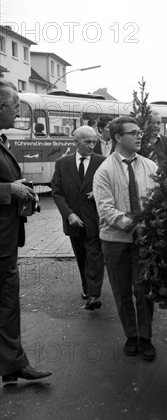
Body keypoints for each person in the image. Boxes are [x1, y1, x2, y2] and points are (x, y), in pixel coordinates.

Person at [93, 116, 158, 361]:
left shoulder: (151, 167)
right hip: (115, 241)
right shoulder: (104, 171)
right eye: (133, 132)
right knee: (121, 292)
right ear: (118, 138)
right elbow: (105, 209)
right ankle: (131, 335)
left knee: (143, 291)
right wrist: (132, 223)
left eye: (140, 132)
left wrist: (151, 224)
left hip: (144, 241)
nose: (139, 135)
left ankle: (146, 337)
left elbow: (158, 199)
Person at [0, 79, 52, 383]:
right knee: (7, 302)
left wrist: (22, 191)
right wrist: (11, 190)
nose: (18, 112)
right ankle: (13, 363)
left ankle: (11, 365)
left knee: (8, 303)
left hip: (6, 240)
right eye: (14, 106)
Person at [51, 126, 106, 309]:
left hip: (95, 220)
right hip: (74, 221)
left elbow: (111, 187)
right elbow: (57, 193)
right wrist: (69, 214)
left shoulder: (102, 162)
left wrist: (98, 193)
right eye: (87, 142)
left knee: (95, 256)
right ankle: (86, 288)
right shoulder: (62, 163)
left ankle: (93, 295)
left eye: (94, 142)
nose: (92, 146)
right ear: (75, 142)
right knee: (82, 257)